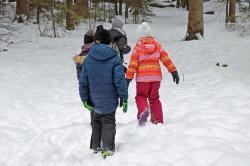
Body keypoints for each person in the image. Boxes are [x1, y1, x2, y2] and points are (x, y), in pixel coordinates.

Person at [79, 28, 128, 158]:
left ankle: (96, 145)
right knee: (108, 121)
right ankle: (107, 148)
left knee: (96, 121)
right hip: (110, 99)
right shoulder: (115, 59)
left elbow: (83, 82)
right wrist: (124, 97)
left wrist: (85, 100)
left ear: (96, 41)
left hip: (94, 100)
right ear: (110, 42)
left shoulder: (88, 59)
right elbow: (120, 81)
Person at [126, 22, 179, 126]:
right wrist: (173, 71)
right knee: (154, 98)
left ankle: (143, 111)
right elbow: (166, 59)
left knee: (141, 96)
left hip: (142, 79)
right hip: (156, 78)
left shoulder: (138, 47)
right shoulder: (157, 46)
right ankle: (158, 120)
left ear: (139, 36)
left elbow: (133, 64)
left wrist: (128, 78)